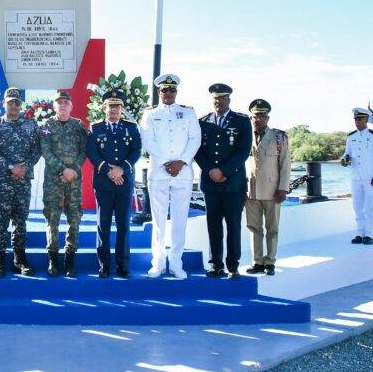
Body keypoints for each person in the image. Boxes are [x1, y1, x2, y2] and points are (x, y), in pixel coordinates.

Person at [140, 74, 200, 278]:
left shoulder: (188, 113)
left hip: (182, 172)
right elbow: (148, 140)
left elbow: (195, 138)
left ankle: (176, 262)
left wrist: (181, 161)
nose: (168, 93)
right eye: (164, 90)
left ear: (176, 92)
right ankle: (158, 262)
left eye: (171, 90)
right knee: (158, 220)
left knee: (180, 219)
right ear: (159, 92)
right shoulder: (150, 114)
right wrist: (167, 162)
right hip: (159, 172)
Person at [194, 84, 252, 279]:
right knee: (213, 225)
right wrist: (211, 170)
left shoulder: (242, 121)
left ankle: (233, 265)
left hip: (233, 184)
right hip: (211, 183)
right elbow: (198, 150)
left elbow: (243, 151)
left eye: (222, 99)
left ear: (229, 100)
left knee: (233, 225)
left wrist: (224, 170)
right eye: (215, 99)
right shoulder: (202, 122)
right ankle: (215, 264)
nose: (218, 102)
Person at [0, 87, 41, 277]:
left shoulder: (31, 125)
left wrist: (23, 167)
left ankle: (20, 259)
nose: (14, 106)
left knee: (21, 221)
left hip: (23, 180)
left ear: (21, 105)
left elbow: (37, 149)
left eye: (17, 103)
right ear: (4, 104)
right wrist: (11, 167)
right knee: (0, 222)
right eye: (10, 103)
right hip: (1, 180)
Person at [86, 89, 142, 278]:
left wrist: (122, 169)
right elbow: (92, 153)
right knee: (103, 224)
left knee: (124, 224)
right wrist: (109, 171)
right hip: (103, 183)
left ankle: (123, 264)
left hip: (124, 182)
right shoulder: (95, 128)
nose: (114, 110)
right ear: (104, 108)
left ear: (122, 108)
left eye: (117, 106)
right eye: (110, 106)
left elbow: (136, 151)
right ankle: (104, 265)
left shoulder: (131, 127)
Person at [39, 90, 88, 278]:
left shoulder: (78, 126)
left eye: (66, 102)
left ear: (71, 106)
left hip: (74, 181)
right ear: (54, 106)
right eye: (59, 102)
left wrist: (73, 170)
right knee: (52, 218)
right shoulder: (46, 125)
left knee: (74, 218)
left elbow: (84, 151)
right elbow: (46, 151)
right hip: (53, 180)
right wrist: (63, 170)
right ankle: (53, 258)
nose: (63, 105)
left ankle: (70, 259)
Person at [243, 99, 291, 276]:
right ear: (251, 117)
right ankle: (257, 261)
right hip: (251, 190)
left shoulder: (279, 137)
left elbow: (285, 165)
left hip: (272, 191)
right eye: (255, 116)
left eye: (262, 116)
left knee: (272, 228)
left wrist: (283, 188)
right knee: (254, 228)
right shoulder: (245, 136)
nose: (258, 119)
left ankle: (270, 262)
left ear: (268, 117)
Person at [341, 107, 373, 245]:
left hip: (370, 177)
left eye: (359, 119)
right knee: (357, 207)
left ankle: (369, 235)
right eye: (356, 119)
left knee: (369, 207)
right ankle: (360, 233)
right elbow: (347, 153)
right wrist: (344, 159)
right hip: (355, 177)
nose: (357, 121)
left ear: (366, 119)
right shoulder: (351, 136)